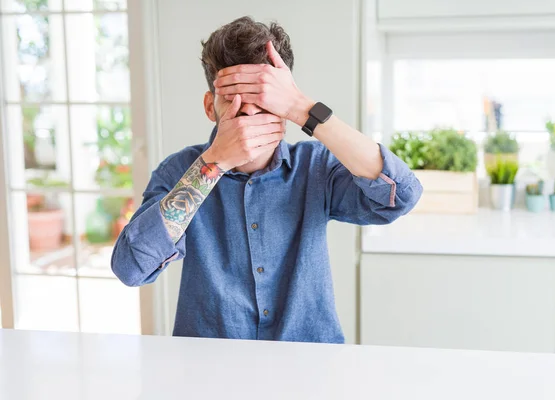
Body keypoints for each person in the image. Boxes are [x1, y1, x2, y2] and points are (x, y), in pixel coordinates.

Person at [111, 16, 422, 344]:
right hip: (210, 372)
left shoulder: (314, 167)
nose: (250, 120)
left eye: (266, 104)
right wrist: (212, 165)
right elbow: (131, 268)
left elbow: (401, 195)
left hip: (310, 368)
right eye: (235, 105)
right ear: (209, 107)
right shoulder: (180, 172)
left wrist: (304, 109)